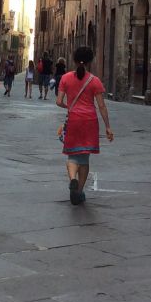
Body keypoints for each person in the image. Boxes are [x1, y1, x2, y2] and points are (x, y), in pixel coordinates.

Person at [56, 46, 113, 205]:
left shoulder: (65, 78)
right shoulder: (95, 81)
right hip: (89, 121)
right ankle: (79, 191)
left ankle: (72, 179)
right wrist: (108, 126)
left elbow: (59, 101)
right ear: (90, 62)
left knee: (72, 156)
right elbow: (102, 106)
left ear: (74, 60)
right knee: (84, 158)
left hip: (73, 120)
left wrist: (69, 107)